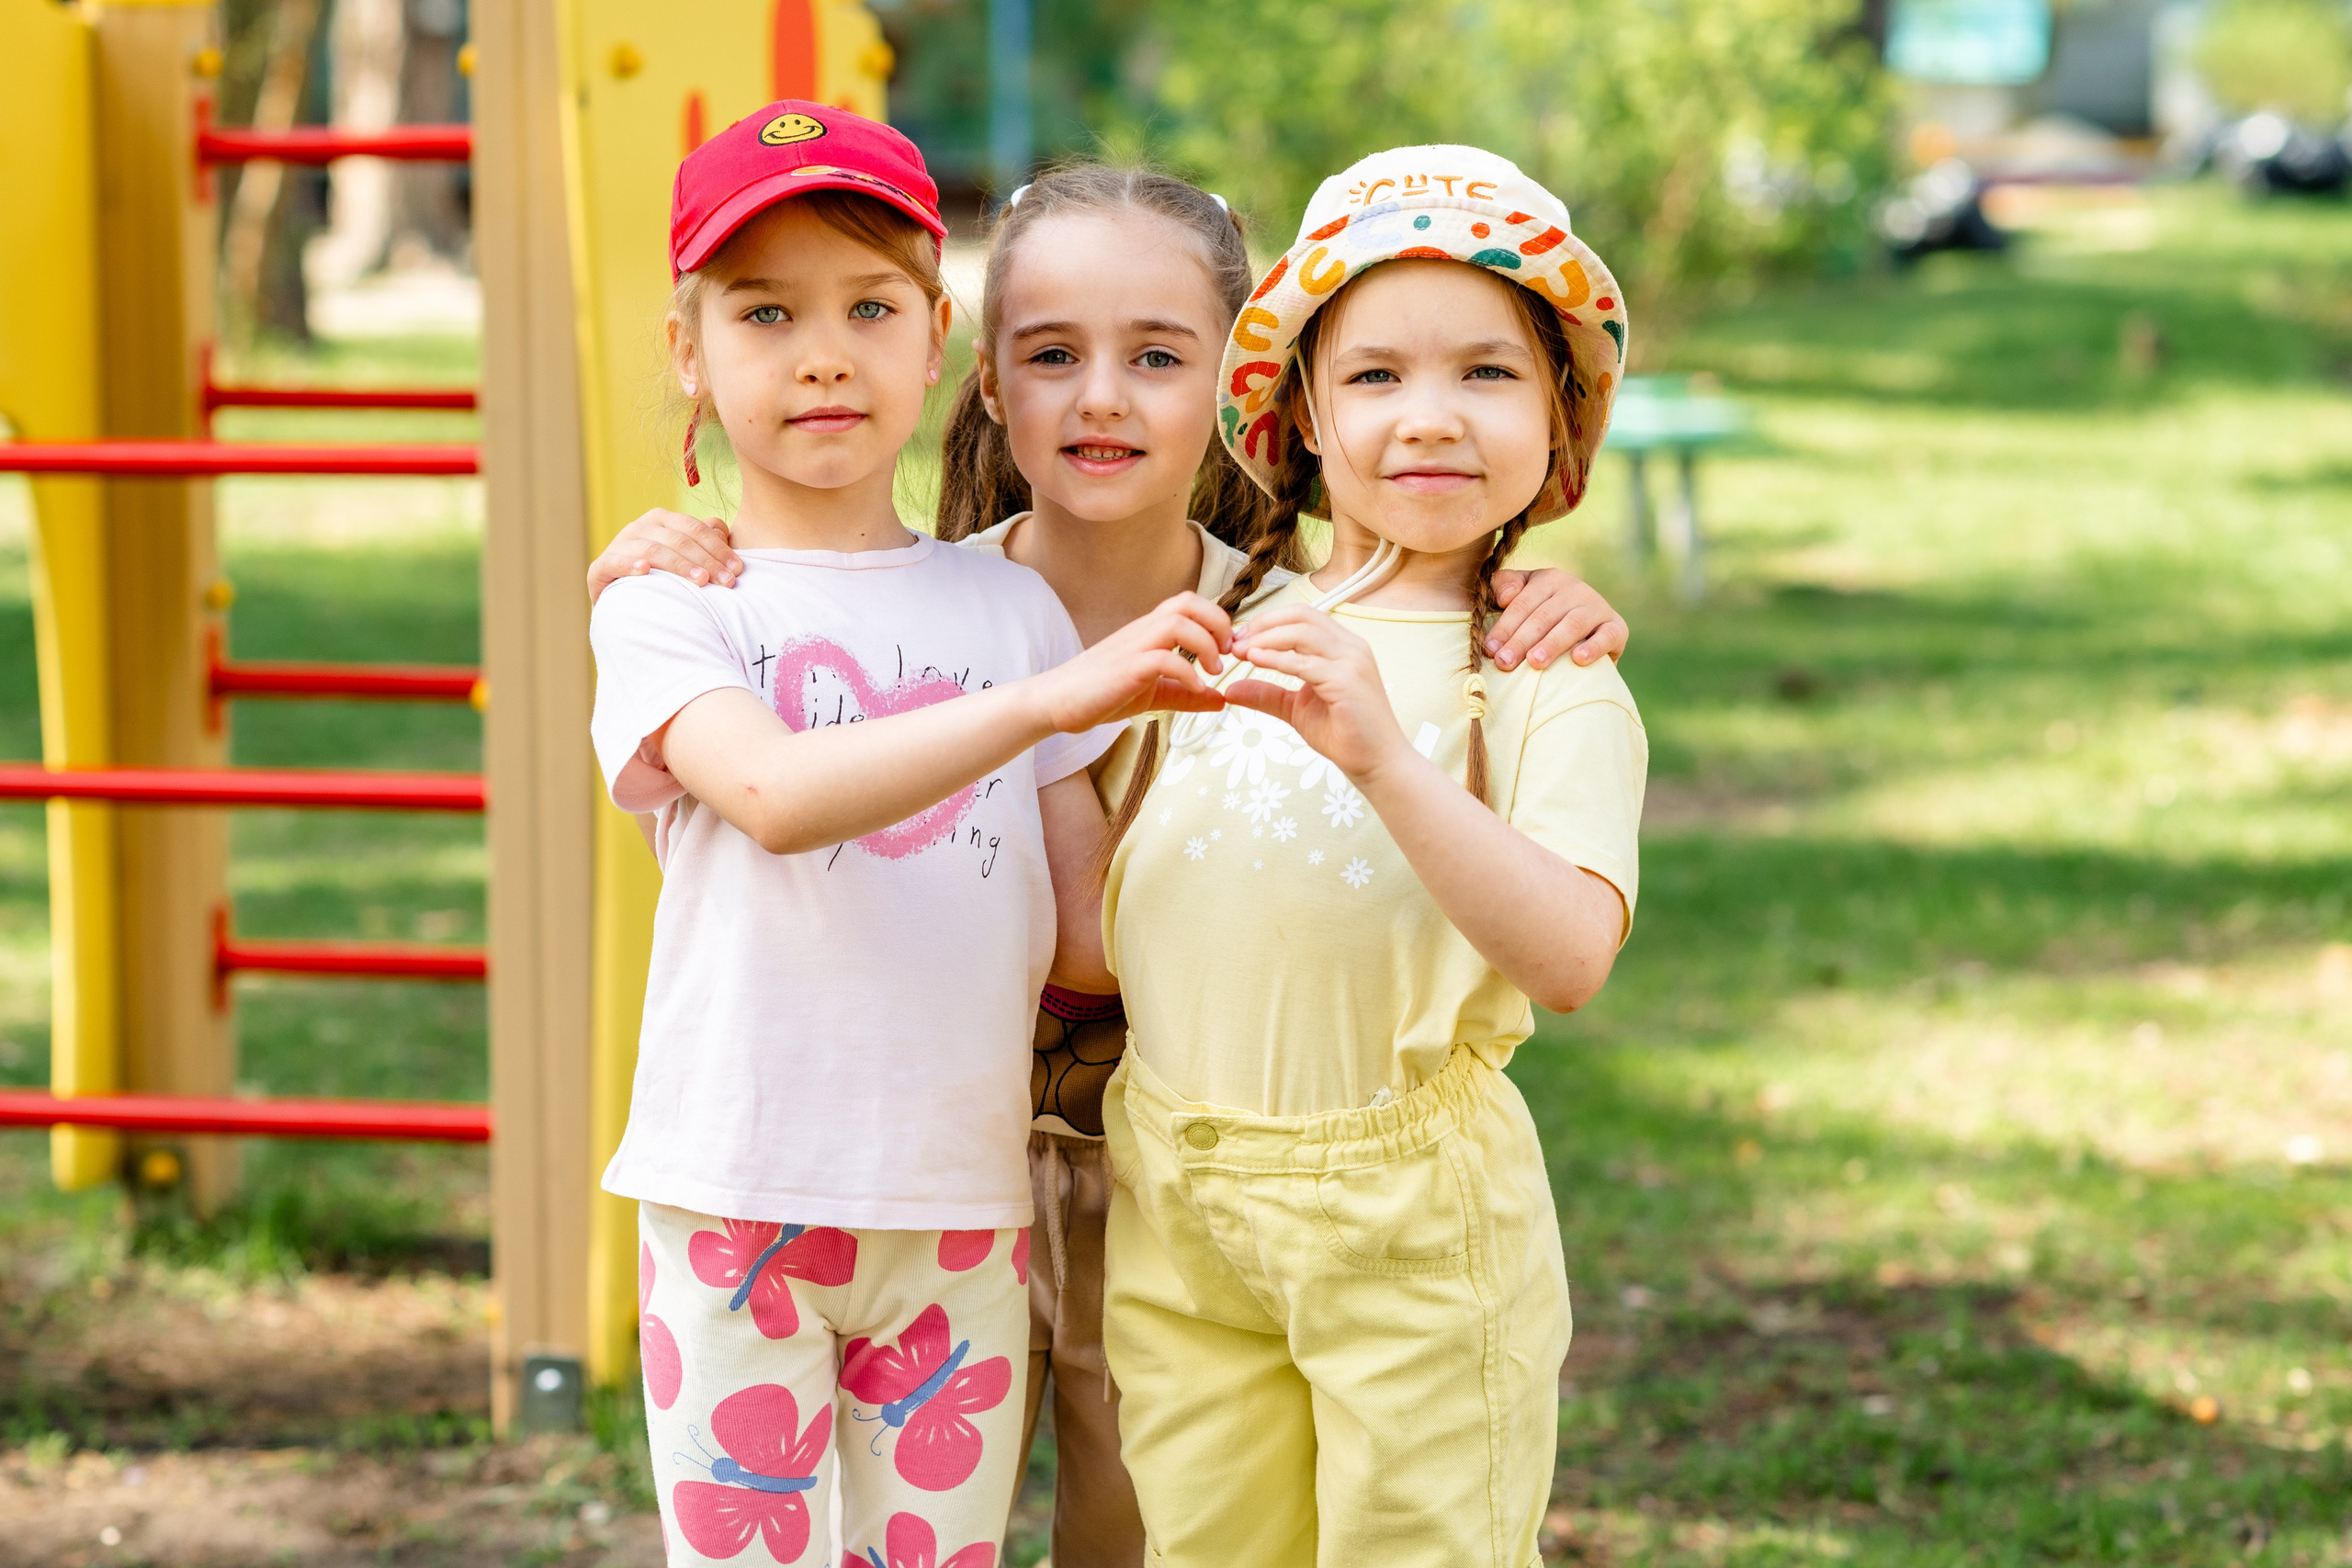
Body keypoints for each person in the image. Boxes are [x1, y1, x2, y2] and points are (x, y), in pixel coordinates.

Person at [589, 159, 1634, 1566]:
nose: (1100, 397)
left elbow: (1424, 605)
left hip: (1175, 1190)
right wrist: (669, 544)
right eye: (1052, 354)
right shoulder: (947, 602)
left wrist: (1529, 586)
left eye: (1157, 355)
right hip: (895, 1153)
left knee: (1147, 1533)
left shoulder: (1291, 625)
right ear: (984, 376)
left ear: (1236, 385)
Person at [589, 104, 1232, 1567]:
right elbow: (772, 793)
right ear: (691, 352)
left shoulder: (1008, 610)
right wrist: (1047, 703)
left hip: (957, 1199)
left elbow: (1083, 932)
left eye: (870, 308)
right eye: (766, 312)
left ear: (937, 336)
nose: (824, 352)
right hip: (739, 1192)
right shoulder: (673, 608)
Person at [1094, 144, 1648, 1568]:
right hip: (1182, 1185)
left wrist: (1387, 755)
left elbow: (1574, 956)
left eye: (1489, 373)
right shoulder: (1219, 607)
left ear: (1559, 426)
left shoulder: (1541, 670)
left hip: (1407, 1217)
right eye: (1378, 376)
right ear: (1301, 418)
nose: (1433, 419)